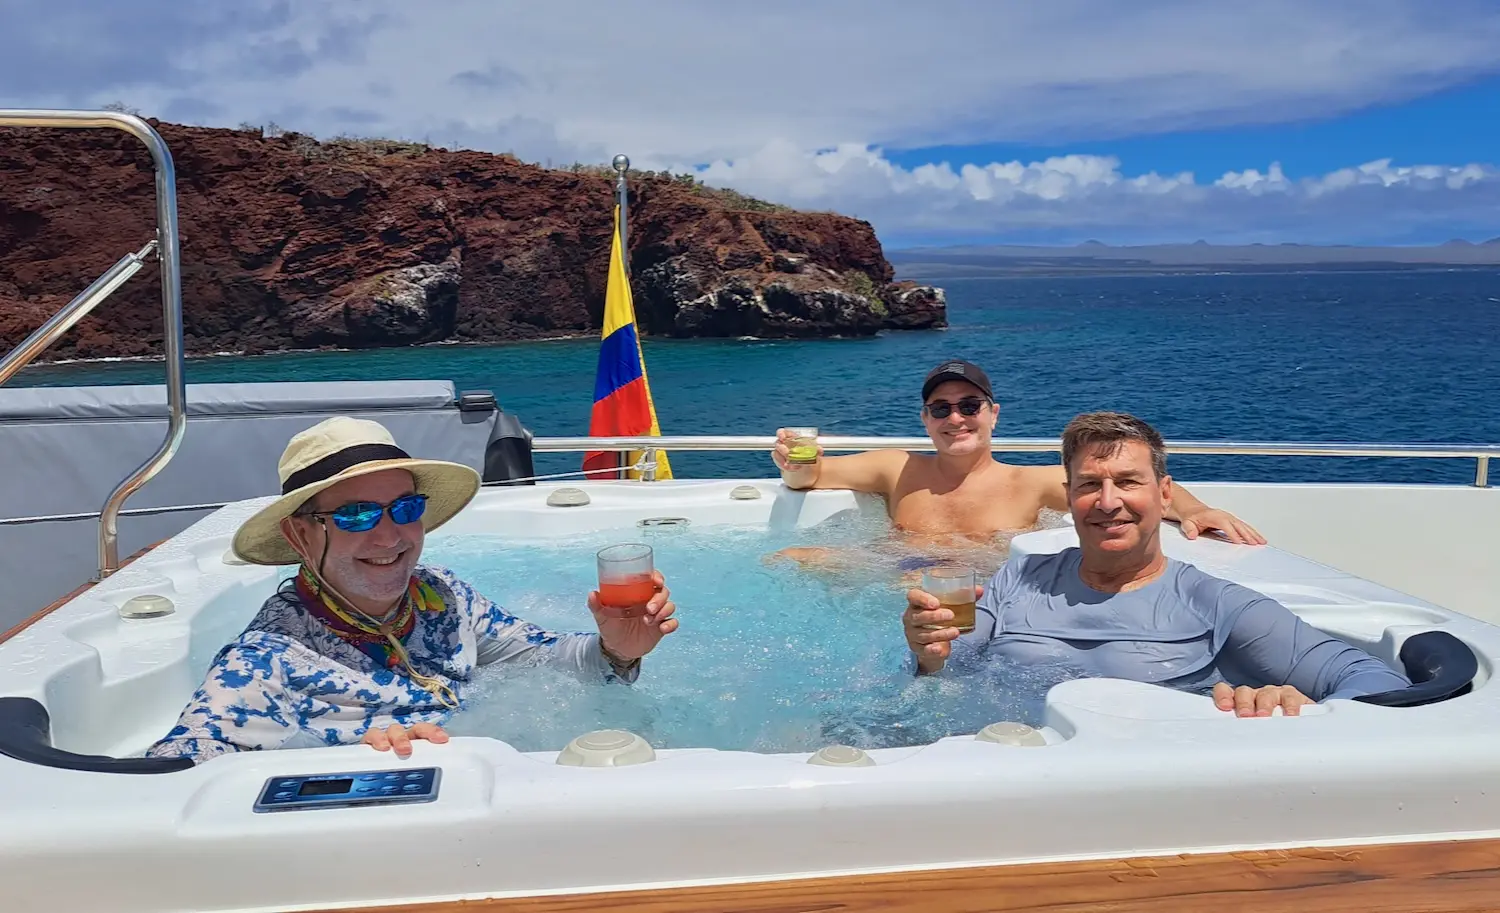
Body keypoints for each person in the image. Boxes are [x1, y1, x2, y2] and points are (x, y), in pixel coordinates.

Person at [146, 417, 678, 764]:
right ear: (300, 534)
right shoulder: (267, 661)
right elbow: (172, 772)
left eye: (405, 508)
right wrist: (342, 760)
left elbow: (548, 659)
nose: (390, 536)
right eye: (355, 515)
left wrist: (615, 648)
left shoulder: (440, 597)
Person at [902, 411, 1409, 716]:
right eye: (1089, 485)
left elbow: (1379, 681)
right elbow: (951, 670)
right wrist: (928, 649)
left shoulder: (1213, 603)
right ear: (1068, 496)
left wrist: (1290, 701)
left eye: (1127, 482)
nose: (1107, 502)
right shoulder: (1019, 578)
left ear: (1165, 494)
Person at [769, 359, 1263, 582]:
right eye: (940, 409)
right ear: (925, 420)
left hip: (978, 583)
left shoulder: (1029, 482)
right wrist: (791, 463)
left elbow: (1124, 483)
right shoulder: (895, 468)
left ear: (993, 413)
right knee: (785, 557)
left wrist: (1197, 510)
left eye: (969, 405)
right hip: (889, 572)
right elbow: (810, 479)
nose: (956, 417)